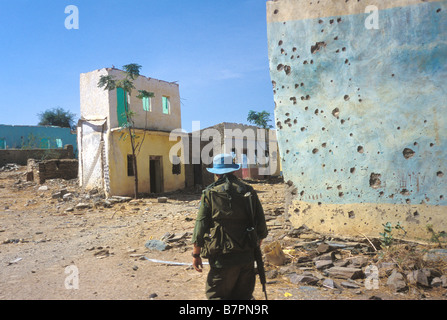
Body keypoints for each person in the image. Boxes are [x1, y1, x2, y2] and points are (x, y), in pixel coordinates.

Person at [191, 153, 268, 300]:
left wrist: (196, 254)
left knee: (217, 296)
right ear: (233, 170)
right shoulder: (249, 191)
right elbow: (261, 226)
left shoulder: (210, 193)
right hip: (247, 257)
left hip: (222, 259)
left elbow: (200, 225)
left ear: (216, 173)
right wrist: (252, 245)